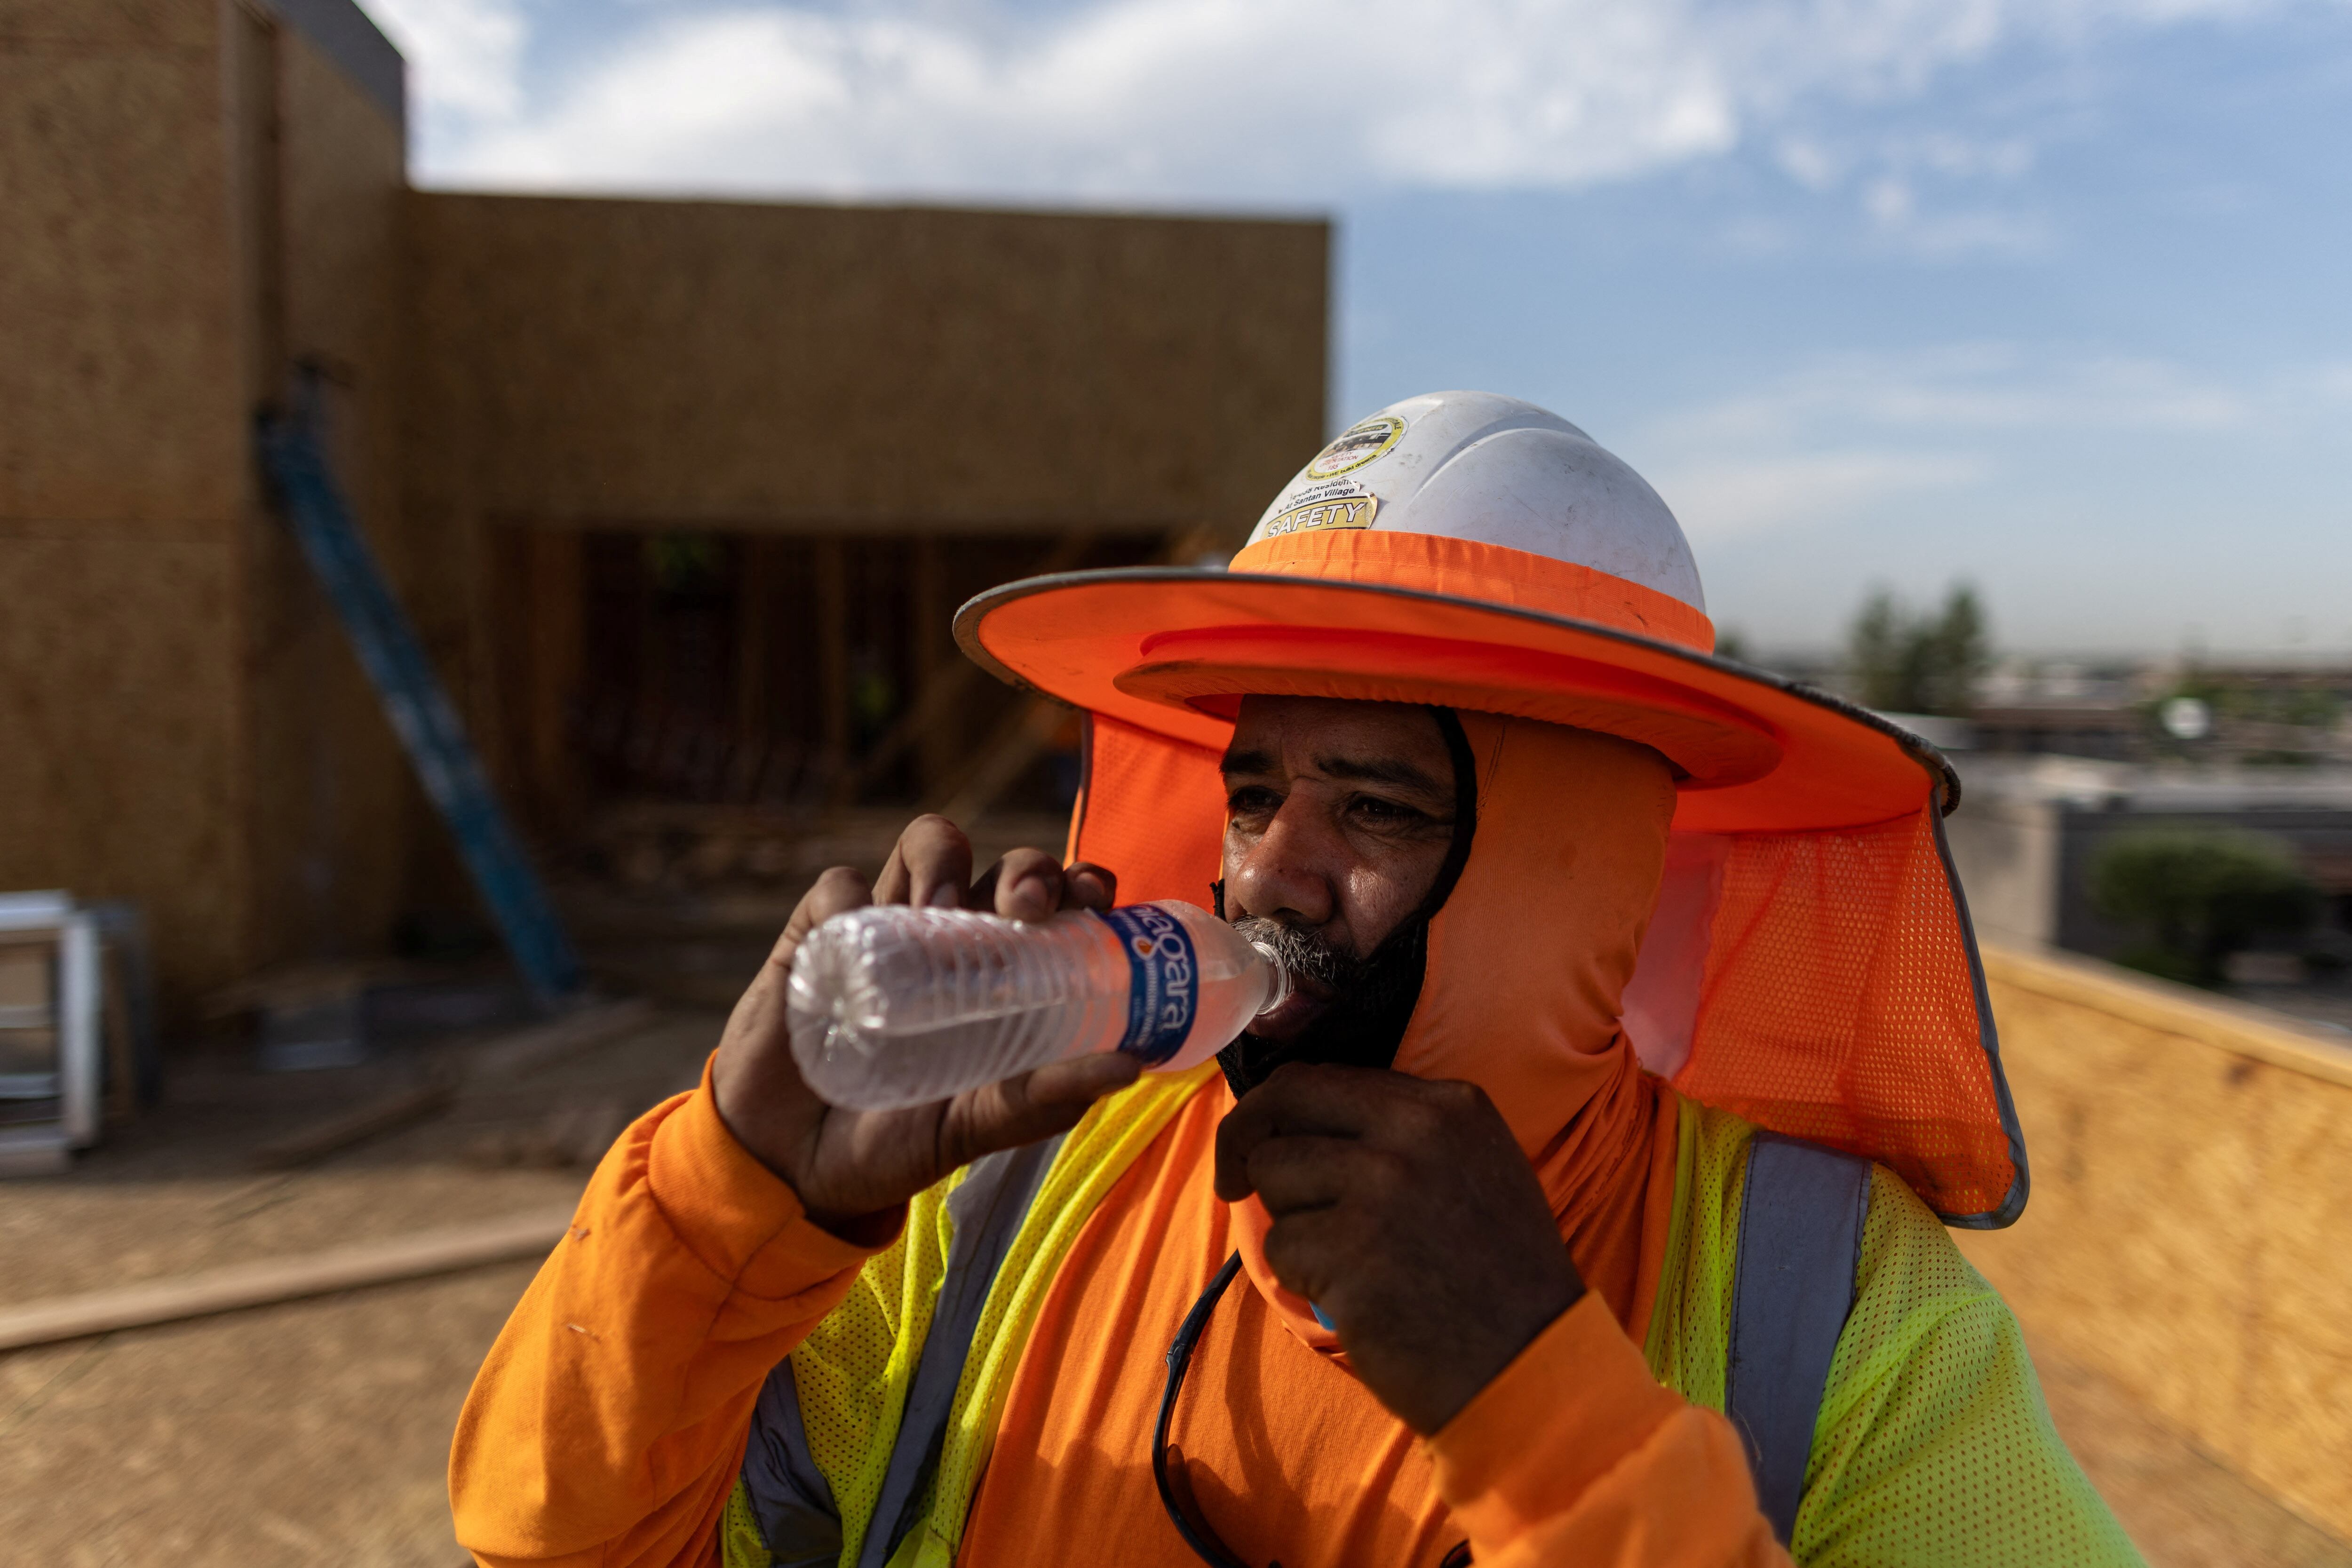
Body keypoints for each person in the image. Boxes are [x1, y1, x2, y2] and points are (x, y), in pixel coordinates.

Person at [451, 392, 2143, 1568]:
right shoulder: (1013, 1195)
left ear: (1576, 872)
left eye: (1380, 806)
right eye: (1253, 793)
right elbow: (555, 1542)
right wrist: (728, 1213)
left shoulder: (1832, 1309)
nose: (1265, 873)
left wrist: (1543, 1414)